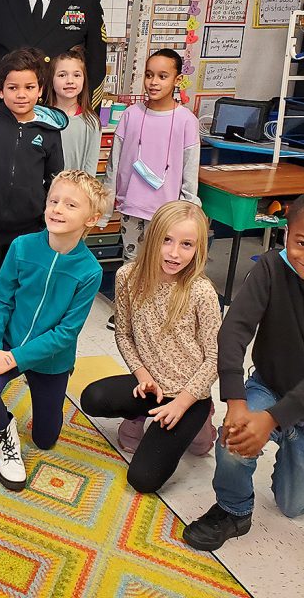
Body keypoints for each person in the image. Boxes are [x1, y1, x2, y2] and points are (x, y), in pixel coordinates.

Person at [183, 191, 304, 552]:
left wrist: (273, 421)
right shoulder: (272, 267)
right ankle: (233, 510)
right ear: (286, 233)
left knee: (293, 506)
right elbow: (234, 330)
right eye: (301, 243)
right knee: (233, 441)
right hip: (268, 386)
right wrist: (237, 401)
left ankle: (288, 452)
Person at [0, 170, 109, 490]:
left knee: (46, 440)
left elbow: (66, 333)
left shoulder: (90, 271)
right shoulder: (22, 247)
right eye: (53, 201)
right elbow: (1, 301)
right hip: (8, 343)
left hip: (51, 361)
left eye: (71, 205)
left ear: (92, 219)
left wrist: (15, 359)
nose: (58, 209)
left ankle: (43, 416)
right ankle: (7, 435)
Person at [79, 201, 219, 494]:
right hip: (149, 384)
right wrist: (143, 376)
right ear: (152, 237)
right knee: (92, 398)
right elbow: (124, 333)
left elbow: (215, 358)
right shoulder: (127, 276)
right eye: (166, 240)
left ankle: (203, 421)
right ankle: (141, 413)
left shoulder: (201, 291)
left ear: (198, 249)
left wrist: (183, 403)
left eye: (186, 244)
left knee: (143, 479)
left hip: (188, 395)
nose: (173, 252)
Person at [103, 48, 200, 329]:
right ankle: (126, 313)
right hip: (132, 204)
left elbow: (190, 168)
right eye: (148, 75)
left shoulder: (186, 121)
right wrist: (109, 201)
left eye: (162, 76)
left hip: (168, 210)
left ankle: (157, 313)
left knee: (164, 262)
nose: (153, 82)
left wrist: (189, 208)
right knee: (131, 260)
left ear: (177, 80)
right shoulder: (131, 115)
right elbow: (115, 163)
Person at [0, 46, 66, 294]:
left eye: (29, 87)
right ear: (0, 91)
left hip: (30, 231)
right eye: (12, 88)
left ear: (40, 90)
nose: (21, 94)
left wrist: (46, 226)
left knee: (23, 290)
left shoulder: (49, 133)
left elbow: (55, 184)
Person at [45, 47, 102, 179]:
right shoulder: (43, 119)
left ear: (84, 80)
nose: (70, 81)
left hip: (77, 193)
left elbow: (90, 168)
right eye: (62, 75)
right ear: (51, 80)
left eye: (76, 75)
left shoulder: (91, 121)